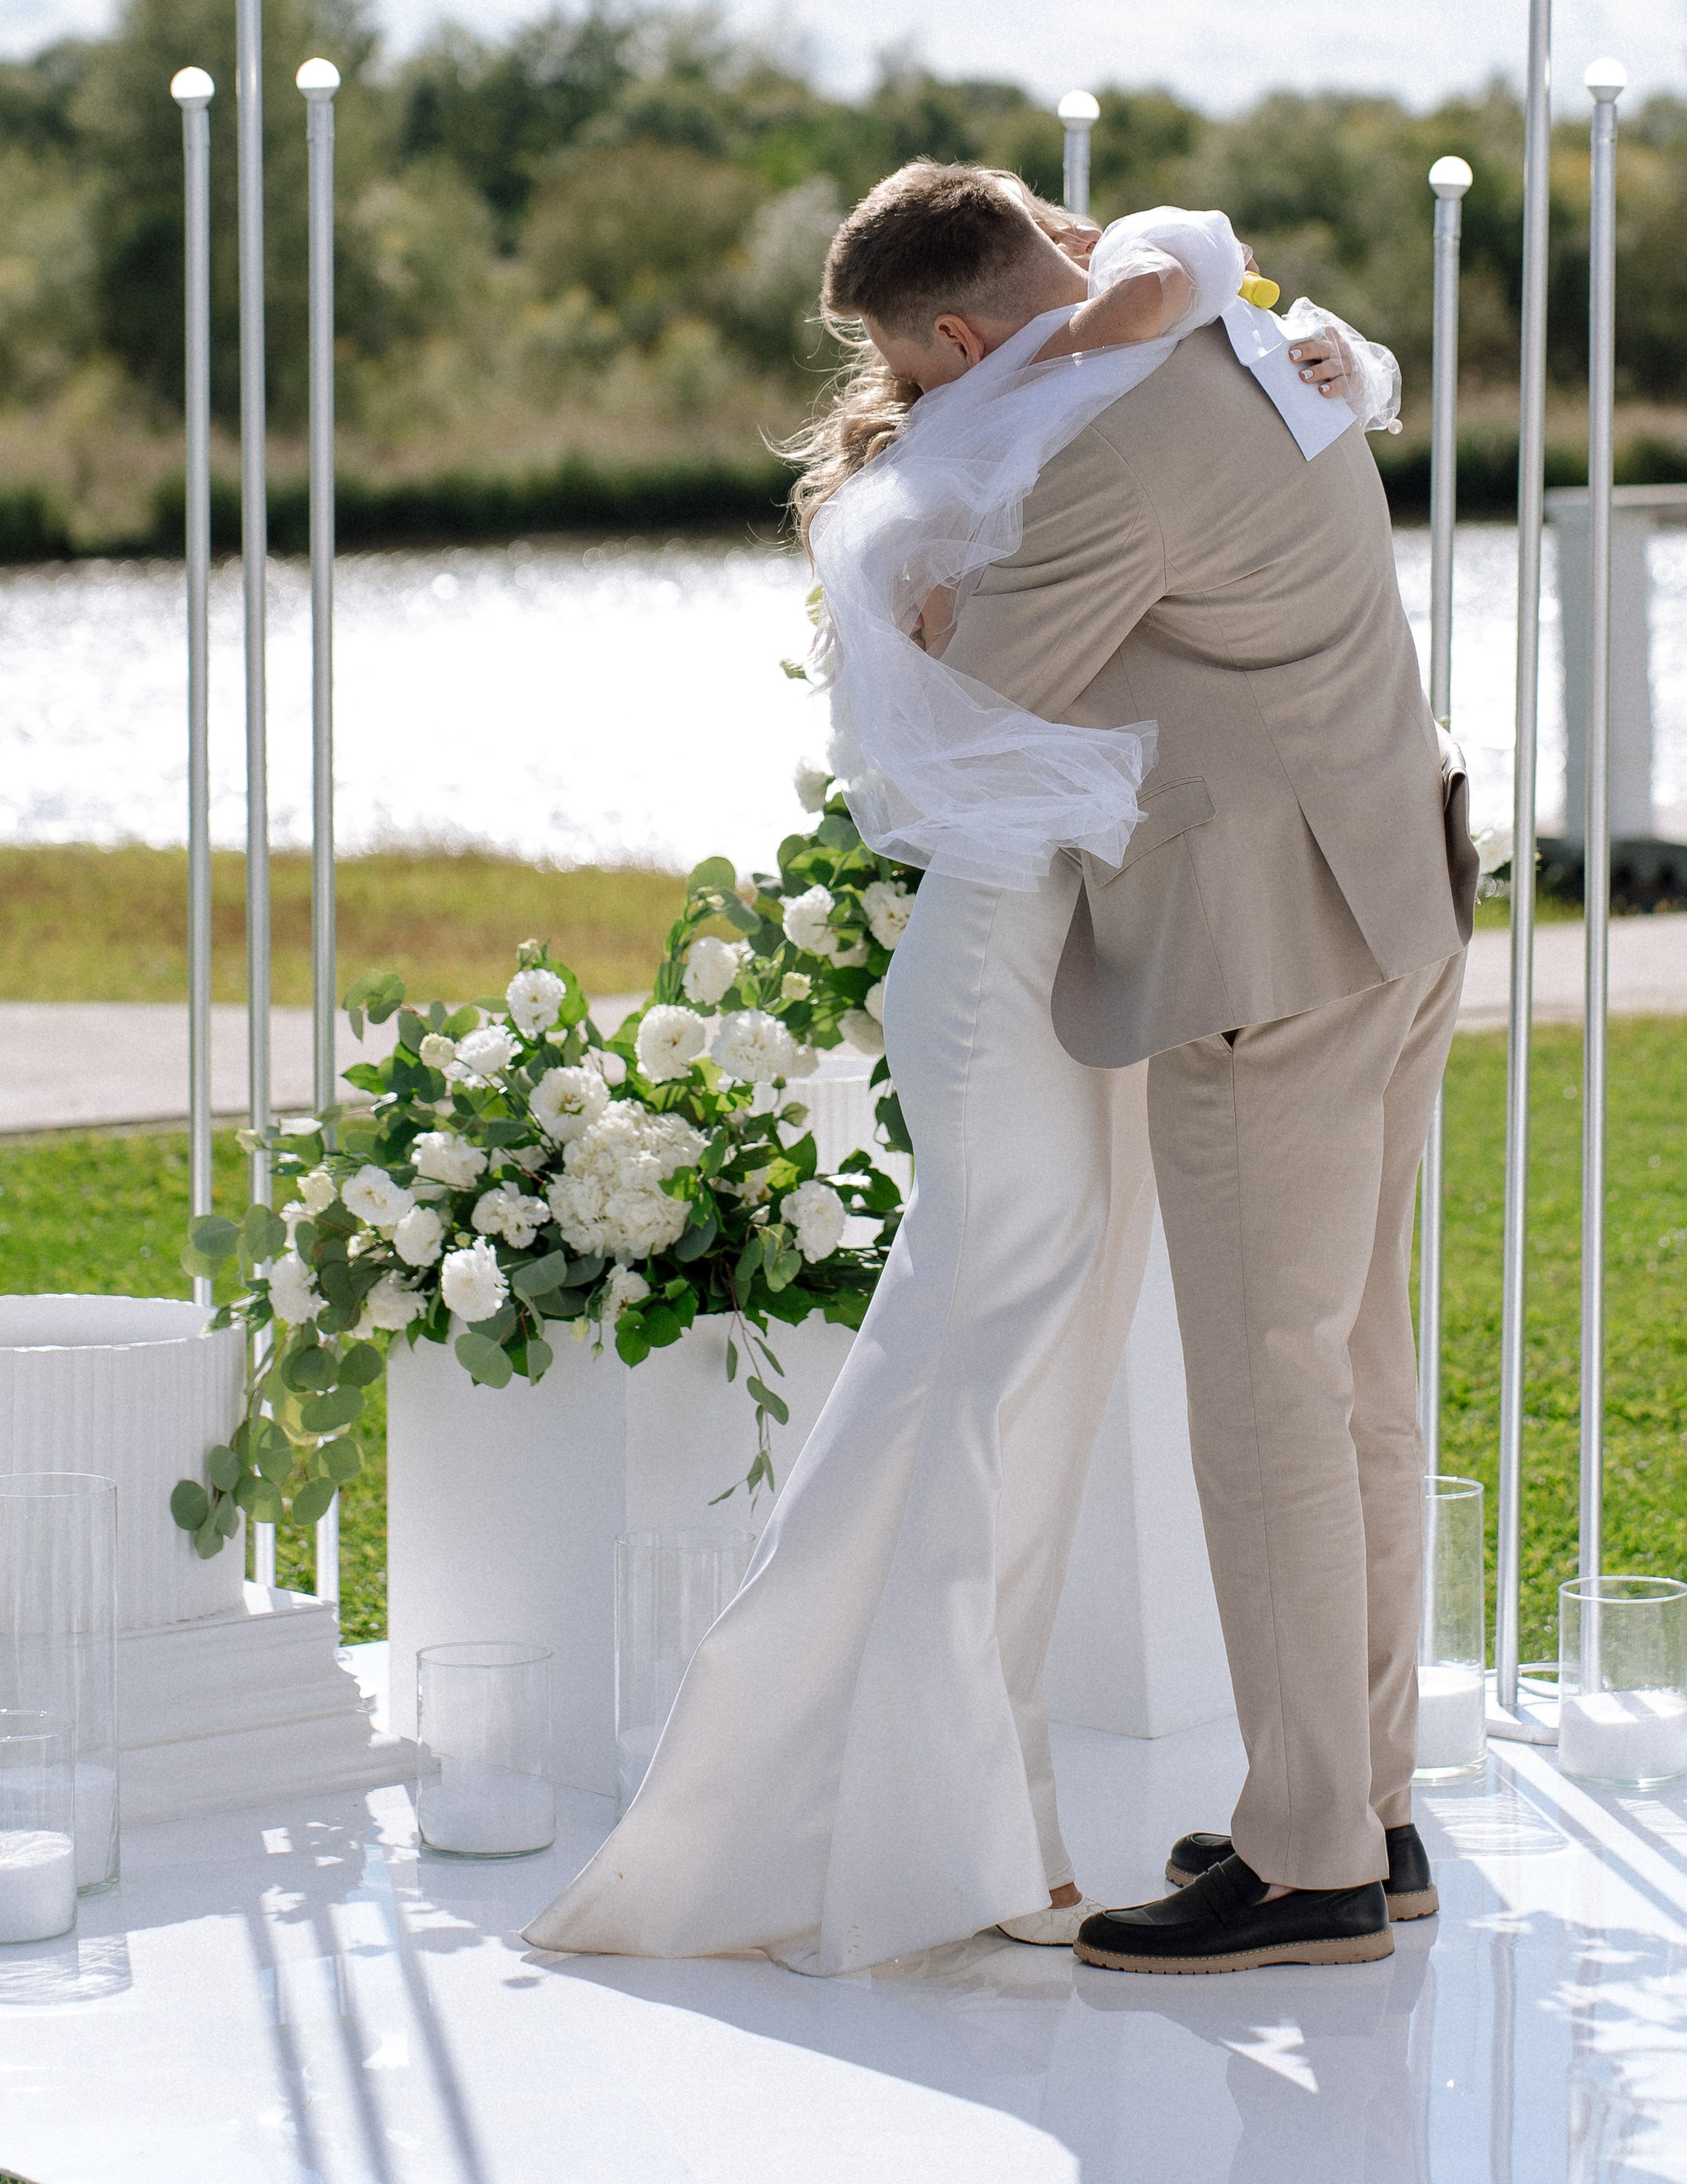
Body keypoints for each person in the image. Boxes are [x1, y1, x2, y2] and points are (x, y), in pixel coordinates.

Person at [523, 163, 1411, 1976]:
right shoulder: (1262, 335)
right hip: (1392, 885)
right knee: (1354, 1377)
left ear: (946, 338)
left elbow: (980, 715)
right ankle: (1364, 1808)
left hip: (1266, 937)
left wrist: (921, 619)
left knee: (1264, 1403)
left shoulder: (1095, 455)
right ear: (1041, 256)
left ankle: (1314, 1853)